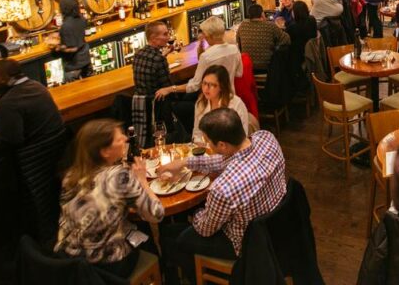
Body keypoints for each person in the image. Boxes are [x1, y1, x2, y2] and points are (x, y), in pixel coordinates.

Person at [158, 109, 287, 283]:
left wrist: (194, 213)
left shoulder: (223, 188)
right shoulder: (266, 138)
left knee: (175, 239)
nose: (207, 145)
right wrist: (185, 162)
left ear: (223, 145)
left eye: (208, 142)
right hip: (277, 225)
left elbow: (205, 229)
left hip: (245, 245)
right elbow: (226, 160)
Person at [54, 119, 164, 278]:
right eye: (119, 138)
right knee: (147, 237)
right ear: (105, 151)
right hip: (106, 266)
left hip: (71, 262)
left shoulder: (70, 176)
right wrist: (142, 180)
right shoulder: (119, 176)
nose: (126, 139)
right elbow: (157, 214)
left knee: (132, 227)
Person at [0, 59, 67, 243]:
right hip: (55, 155)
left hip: (33, 163)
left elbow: (11, 140)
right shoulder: (37, 86)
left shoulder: (9, 102)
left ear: (4, 79)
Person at [133, 21, 180, 133]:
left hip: (142, 107)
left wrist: (163, 55)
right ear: (153, 38)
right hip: (159, 108)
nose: (168, 37)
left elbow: (152, 63)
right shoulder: (159, 59)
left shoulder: (138, 54)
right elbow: (168, 88)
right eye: (164, 34)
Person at [181, 16, 243, 98]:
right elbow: (239, 73)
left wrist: (171, 88)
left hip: (211, 101)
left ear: (207, 35)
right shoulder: (234, 49)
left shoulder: (206, 56)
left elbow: (194, 86)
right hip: (230, 97)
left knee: (180, 102)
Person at [192, 65, 250, 141]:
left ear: (221, 87)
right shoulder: (200, 103)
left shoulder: (236, 104)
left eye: (212, 85)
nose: (206, 88)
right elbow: (197, 133)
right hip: (206, 148)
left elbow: (242, 136)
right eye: (204, 83)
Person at [236, 4, 290, 72]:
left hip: (248, 66)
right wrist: (275, 46)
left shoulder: (243, 25)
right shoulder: (270, 26)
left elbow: (238, 42)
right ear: (262, 14)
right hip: (268, 66)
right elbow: (287, 39)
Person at [53, 0, 92, 83]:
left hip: (74, 66)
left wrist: (59, 47)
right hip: (86, 60)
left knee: (74, 91)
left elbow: (73, 48)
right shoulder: (82, 19)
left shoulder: (66, 25)